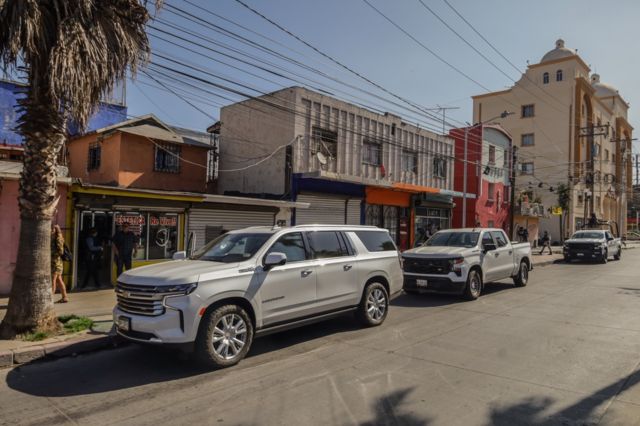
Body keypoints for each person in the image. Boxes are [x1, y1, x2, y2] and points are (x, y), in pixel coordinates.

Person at [51, 224, 68, 303]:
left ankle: (50, 298)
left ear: (55, 230)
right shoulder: (56, 238)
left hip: (56, 262)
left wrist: (51, 253)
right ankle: (64, 297)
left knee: (53, 280)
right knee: (59, 280)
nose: (51, 231)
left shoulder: (58, 239)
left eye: (52, 229)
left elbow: (60, 251)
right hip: (57, 262)